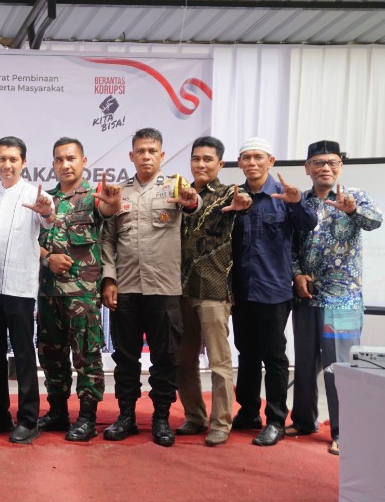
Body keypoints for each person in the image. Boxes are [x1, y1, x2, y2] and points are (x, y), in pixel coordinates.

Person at [101, 127, 201, 448]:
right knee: (125, 357)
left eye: (152, 151)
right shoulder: (119, 192)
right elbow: (108, 240)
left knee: (165, 357)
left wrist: (192, 203)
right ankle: (126, 416)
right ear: (131, 156)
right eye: (140, 151)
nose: (146, 156)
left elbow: (193, 205)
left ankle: (160, 418)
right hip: (127, 287)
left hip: (164, 288)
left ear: (162, 155)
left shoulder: (176, 187)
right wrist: (109, 278)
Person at [289, 140, 381, 456]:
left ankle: (345, 431)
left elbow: (375, 221)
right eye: (318, 162)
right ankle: (304, 421)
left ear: (340, 167)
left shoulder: (355, 197)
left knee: (339, 368)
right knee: (303, 364)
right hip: (306, 296)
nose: (325, 168)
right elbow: (288, 245)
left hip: (342, 299)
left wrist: (352, 210)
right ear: (307, 168)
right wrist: (296, 274)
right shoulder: (299, 201)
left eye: (331, 162)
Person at [230, 137, 317, 447]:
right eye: (246, 157)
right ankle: (248, 412)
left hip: (274, 291)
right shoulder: (235, 197)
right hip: (241, 291)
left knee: (275, 358)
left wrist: (297, 202)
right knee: (246, 355)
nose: (252, 162)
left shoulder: (283, 195)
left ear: (271, 161)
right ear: (240, 163)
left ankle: (276, 420)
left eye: (258, 157)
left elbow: (308, 224)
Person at [37, 138, 121, 443]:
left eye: (71, 158)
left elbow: (110, 210)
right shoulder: (46, 199)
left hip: (82, 295)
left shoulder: (94, 197)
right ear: (53, 164)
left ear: (83, 161)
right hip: (49, 293)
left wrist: (112, 202)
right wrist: (47, 257)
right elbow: (31, 242)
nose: (65, 164)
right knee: (51, 355)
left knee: (86, 355)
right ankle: (58, 411)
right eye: (59, 159)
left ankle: (87, 417)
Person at [0, 136, 56, 445]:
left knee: (23, 354)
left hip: (20, 287)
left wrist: (47, 213)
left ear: (23, 162)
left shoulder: (37, 195)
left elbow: (49, 222)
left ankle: (28, 419)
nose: (7, 164)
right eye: (2, 159)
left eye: (13, 159)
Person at [175, 136, 252, 447]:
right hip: (180, 288)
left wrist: (245, 205)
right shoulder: (180, 193)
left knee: (219, 362)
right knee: (183, 360)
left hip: (214, 288)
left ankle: (221, 422)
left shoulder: (228, 194)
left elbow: (244, 201)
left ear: (220, 164)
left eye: (208, 159)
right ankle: (194, 416)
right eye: (196, 158)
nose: (201, 164)